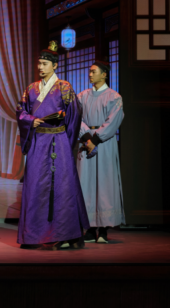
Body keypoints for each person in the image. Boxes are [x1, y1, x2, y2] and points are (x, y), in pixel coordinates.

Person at [16, 41, 89, 249]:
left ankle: (66, 233)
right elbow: (21, 111)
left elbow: (74, 116)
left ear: (55, 66)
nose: (40, 67)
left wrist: (67, 140)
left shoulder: (64, 87)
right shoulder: (31, 89)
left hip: (59, 141)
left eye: (45, 64)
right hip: (38, 141)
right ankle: (33, 235)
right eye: (39, 63)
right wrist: (31, 120)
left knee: (63, 187)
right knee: (35, 185)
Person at [77, 61, 125, 244]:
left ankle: (104, 229)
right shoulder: (82, 96)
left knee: (105, 183)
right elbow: (76, 118)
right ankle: (89, 229)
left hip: (104, 143)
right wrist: (87, 138)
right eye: (89, 72)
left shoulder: (114, 97)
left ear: (104, 74)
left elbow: (114, 121)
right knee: (85, 183)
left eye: (93, 72)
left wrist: (95, 140)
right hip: (86, 141)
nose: (90, 74)